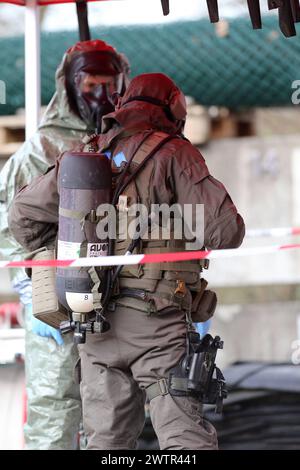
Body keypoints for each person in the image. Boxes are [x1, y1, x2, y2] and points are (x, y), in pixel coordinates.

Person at [8, 73, 245, 450]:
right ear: (175, 111)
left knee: (106, 445)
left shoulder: (87, 153)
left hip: (93, 323)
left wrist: (59, 254)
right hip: (156, 324)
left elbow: (22, 214)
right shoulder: (174, 153)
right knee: (185, 441)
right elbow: (227, 231)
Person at [0, 39, 130, 450]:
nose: (101, 94)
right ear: (70, 85)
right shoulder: (42, 148)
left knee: (112, 409)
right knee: (55, 406)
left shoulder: (126, 142)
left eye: (109, 83)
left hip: (116, 294)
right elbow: (9, 224)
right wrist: (29, 290)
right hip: (53, 297)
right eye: (91, 83)